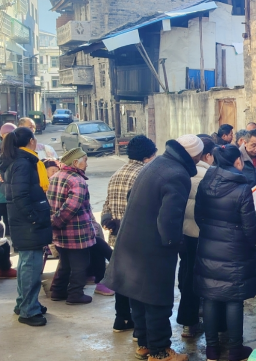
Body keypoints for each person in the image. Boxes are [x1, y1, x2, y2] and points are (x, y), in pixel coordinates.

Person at [103, 135, 203, 361]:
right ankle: (159, 351)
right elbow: (169, 217)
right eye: (199, 156)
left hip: (131, 240)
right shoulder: (177, 174)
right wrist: (174, 243)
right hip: (153, 247)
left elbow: (131, 196)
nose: (199, 160)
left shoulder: (156, 164)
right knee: (157, 300)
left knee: (138, 296)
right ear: (193, 155)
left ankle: (144, 344)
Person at [194, 144, 256, 361]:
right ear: (237, 161)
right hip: (235, 249)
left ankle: (211, 350)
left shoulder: (206, 182)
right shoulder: (242, 188)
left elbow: (198, 215)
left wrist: (210, 232)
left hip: (208, 245)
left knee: (210, 296)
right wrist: (254, 245)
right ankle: (235, 350)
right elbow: (249, 227)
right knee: (234, 299)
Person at [100, 134, 157, 334]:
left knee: (122, 279)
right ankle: (140, 330)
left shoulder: (117, 173)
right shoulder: (145, 175)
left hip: (117, 237)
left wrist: (109, 221)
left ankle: (121, 318)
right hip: (138, 237)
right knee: (139, 283)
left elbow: (106, 205)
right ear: (148, 156)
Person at [0, 127, 51, 326]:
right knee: (31, 267)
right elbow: (20, 195)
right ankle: (29, 311)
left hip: (24, 222)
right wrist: (33, 217)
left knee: (26, 264)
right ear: (31, 141)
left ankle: (24, 303)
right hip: (28, 223)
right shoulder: (23, 163)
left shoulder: (19, 160)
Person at [47, 147, 97, 305]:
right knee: (80, 265)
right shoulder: (77, 180)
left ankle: (57, 291)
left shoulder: (55, 176)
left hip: (59, 233)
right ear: (75, 162)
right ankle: (75, 294)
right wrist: (57, 221)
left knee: (65, 263)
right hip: (76, 233)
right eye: (85, 161)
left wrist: (53, 224)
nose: (87, 164)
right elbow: (70, 207)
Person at [177, 135, 215, 338]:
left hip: (184, 234)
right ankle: (208, 323)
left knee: (186, 275)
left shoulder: (181, 172)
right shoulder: (209, 176)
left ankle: (188, 324)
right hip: (203, 235)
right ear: (207, 155)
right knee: (204, 279)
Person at [0, 123, 17, 237]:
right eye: (6, 134)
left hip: (10, 192)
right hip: (4, 192)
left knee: (9, 222)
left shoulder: (17, 149)